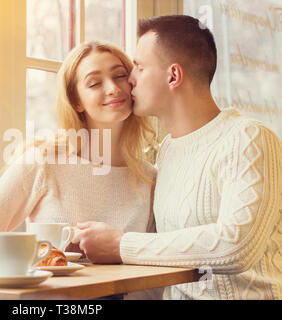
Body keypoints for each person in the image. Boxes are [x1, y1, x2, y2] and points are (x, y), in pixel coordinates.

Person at [71, 15, 281, 300]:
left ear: (173, 76)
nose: (129, 80)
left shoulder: (249, 139)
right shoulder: (167, 151)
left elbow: (236, 246)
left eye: (140, 68)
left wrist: (121, 245)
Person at [0, 41, 158, 284]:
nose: (113, 88)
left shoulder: (149, 177)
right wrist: (39, 257)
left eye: (120, 76)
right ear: (76, 101)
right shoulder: (43, 161)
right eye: (94, 83)